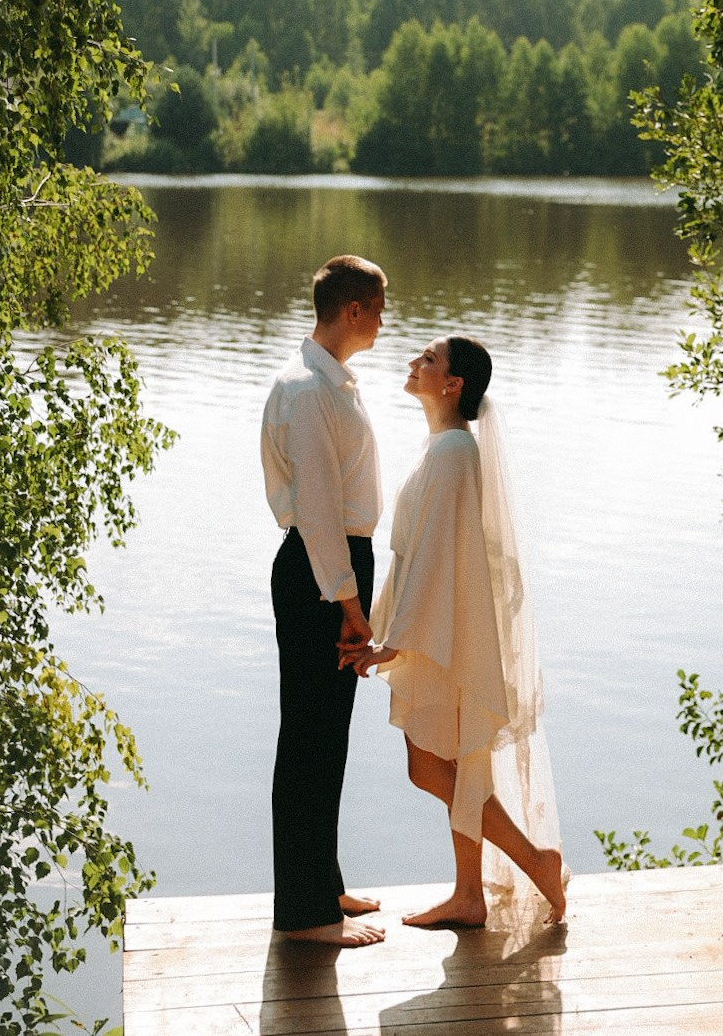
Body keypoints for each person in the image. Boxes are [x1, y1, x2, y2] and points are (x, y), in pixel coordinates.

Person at [351, 335, 567, 929]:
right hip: (439, 624)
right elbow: (420, 553)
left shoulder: (451, 452)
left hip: (442, 631)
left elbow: (435, 556)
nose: (413, 363)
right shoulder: (444, 446)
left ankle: (533, 861)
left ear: (453, 384)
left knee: (432, 765)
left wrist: (393, 641)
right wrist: (383, 627)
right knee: (452, 762)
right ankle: (470, 893)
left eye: (428, 359)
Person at [260, 254, 388, 947]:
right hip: (321, 570)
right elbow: (316, 509)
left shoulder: (328, 380)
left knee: (326, 736)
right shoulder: (309, 389)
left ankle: (323, 885)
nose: (383, 322)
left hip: (330, 567)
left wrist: (350, 591)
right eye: (379, 309)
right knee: (309, 737)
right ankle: (305, 915)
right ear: (353, 310)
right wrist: (350, 604)